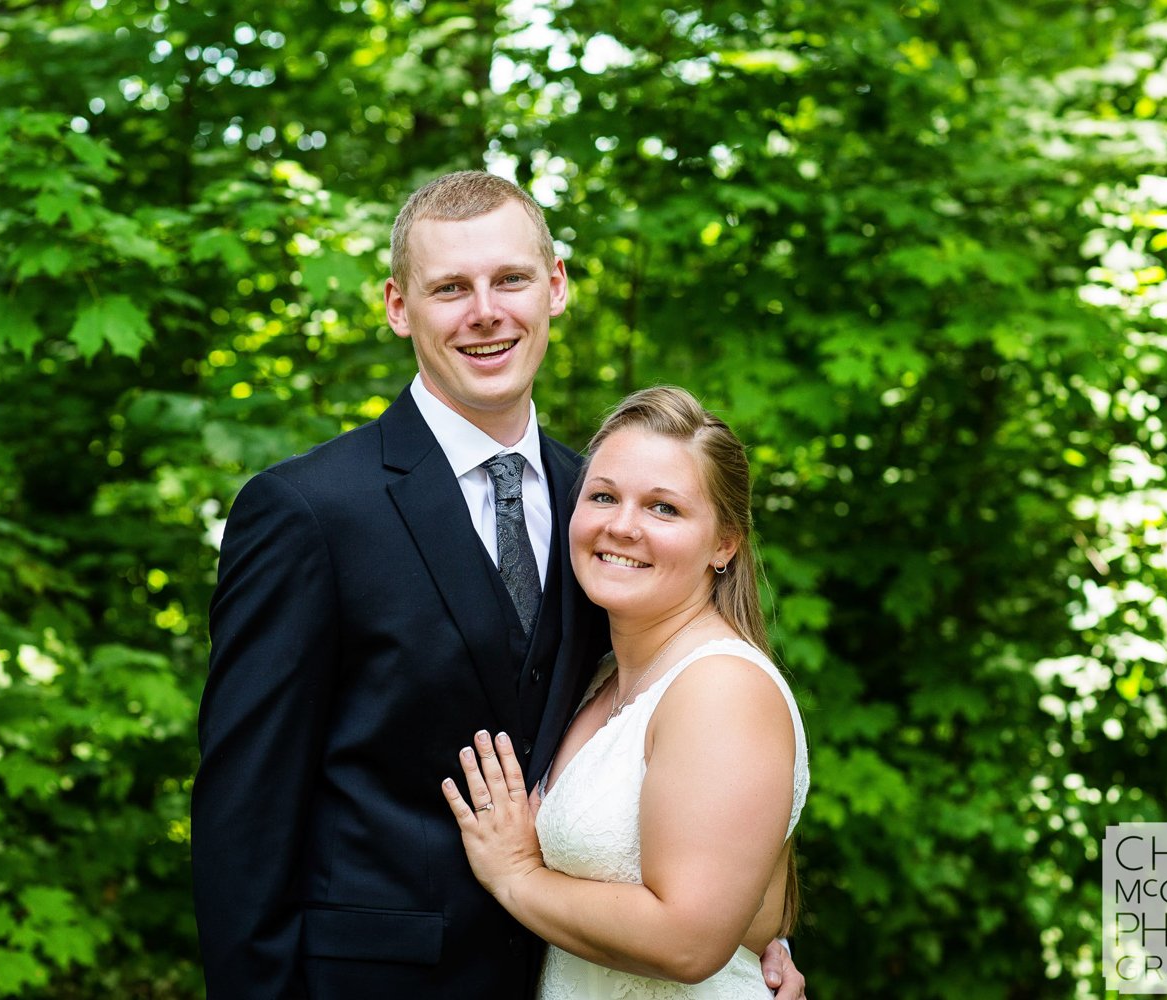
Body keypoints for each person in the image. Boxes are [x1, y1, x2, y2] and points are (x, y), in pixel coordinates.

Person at [193, 171, 806, 999]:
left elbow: (693, 769)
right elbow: (245, 814)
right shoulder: (308, 511)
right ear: (398, 306)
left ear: (555, 286)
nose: (486, 311)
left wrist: (753, 932)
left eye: (510, 279)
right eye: (450, 287)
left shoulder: (602, 511)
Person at [444, 386, 808, 999]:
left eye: (663, 508)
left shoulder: (721, 689)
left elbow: (688, 940)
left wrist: (515, 877)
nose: (622, 526)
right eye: (604, 496)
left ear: (725, 543)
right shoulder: (600, 677)